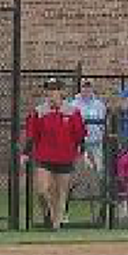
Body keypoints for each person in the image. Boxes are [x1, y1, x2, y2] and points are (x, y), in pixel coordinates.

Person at [22, 78, 86, 230]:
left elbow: (79, 135)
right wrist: (25, 153)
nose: (52, 93)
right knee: (42, 190)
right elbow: (32, 134)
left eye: (55, 89)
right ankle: (47, 213)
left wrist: (82, 153)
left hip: (65, 157)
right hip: (44, 156)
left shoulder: (72, 112)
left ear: (62, 92)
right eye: (49, 90)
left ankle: (56, 225)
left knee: (60, 193)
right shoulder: (39, 112)